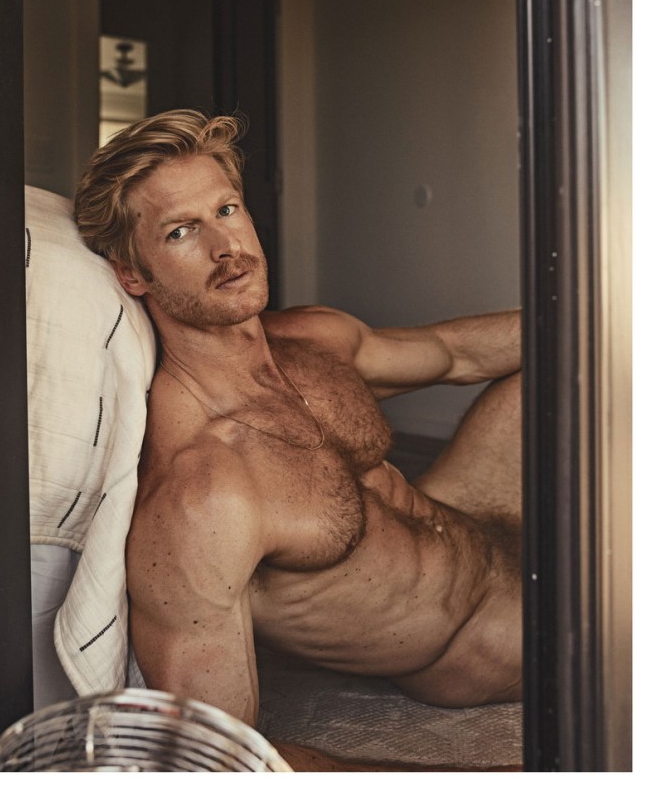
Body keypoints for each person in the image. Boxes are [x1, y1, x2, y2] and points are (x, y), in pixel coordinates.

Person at [74, 109, 522, 766]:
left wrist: (613, 313)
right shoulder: (202, 495)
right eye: (180, 231)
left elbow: (455, 353)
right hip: (481, 633)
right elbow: (216, 758)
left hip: (476, 516)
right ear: (132, 274)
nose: (225, 248)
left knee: (578, 347)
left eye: (226, 210)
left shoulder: (307, 338)